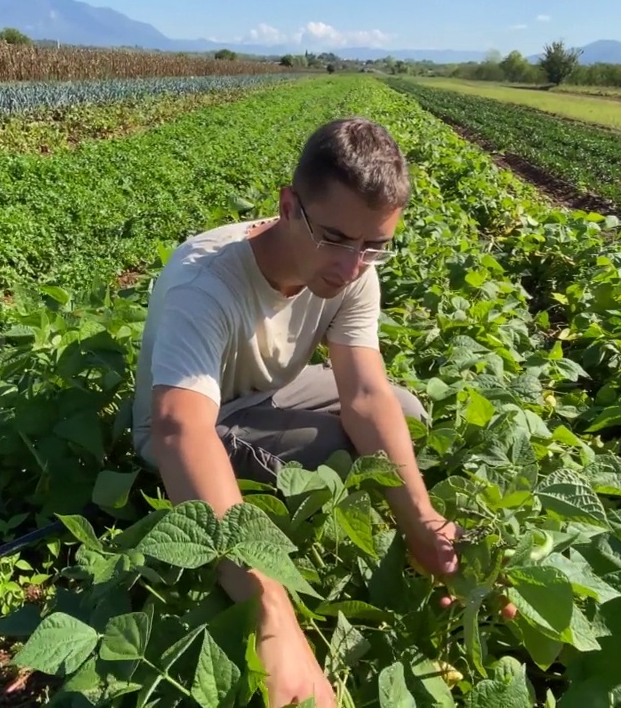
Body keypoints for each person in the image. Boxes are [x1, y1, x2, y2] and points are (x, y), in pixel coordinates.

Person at [130, 117, 481, 707]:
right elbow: (178, 428)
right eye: (337, 239)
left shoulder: (354, 266)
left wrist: (422, 519)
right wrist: (271, 614)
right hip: (194, 421)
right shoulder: (206, 280)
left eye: (374, 246)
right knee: (336, 456)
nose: (351, 266)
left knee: (403, 411)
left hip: (265, 394)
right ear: (289, 205)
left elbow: (365, 394)